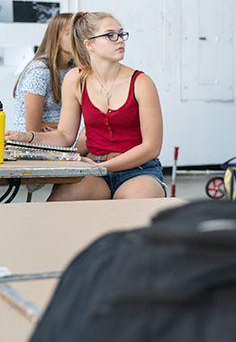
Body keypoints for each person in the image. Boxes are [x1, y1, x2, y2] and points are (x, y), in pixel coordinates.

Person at [6, 11, 166, 201]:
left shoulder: (141, 82)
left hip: (138, 170)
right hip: (94, 167)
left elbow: (151, 147)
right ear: (89, 44)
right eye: (110, 35)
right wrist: (26, 137)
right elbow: (64, 136)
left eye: (121, 34)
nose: (120, 40)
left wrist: (102, 167)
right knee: (55, 208)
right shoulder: (75, 79)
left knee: (126, 213)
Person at [13, 13, 74, 132]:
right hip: (34, 142)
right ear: (56, 39)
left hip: (62, 137)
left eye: (79, 33)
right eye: (70, 33)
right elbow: (32, 128)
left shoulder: (74, 69)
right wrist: (71, 127)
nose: (77, 38)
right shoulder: (39, 72)